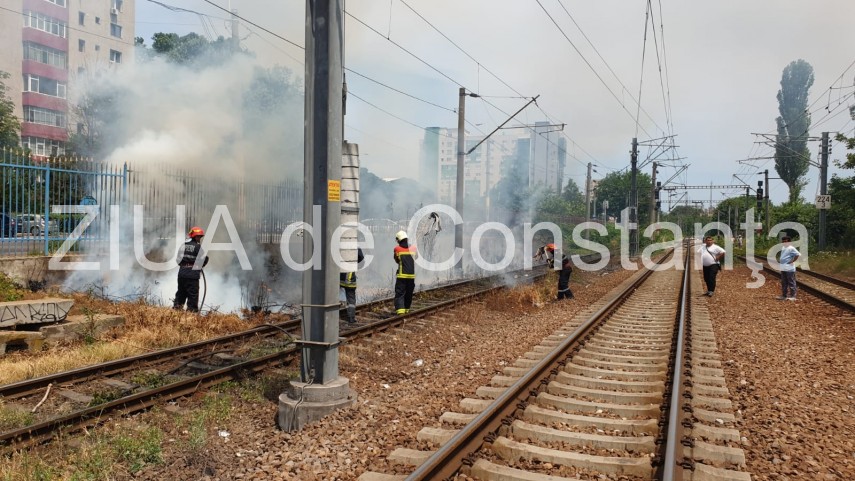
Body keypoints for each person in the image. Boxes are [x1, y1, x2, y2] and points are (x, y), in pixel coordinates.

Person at [174, 226, 209, 312]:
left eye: (200, 237)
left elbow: (178, 260)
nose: (199, 238)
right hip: (192, 275)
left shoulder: (183, 245)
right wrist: (198, 266)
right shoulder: (197, 247)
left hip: (182, 274)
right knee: (192, 296)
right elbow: (204, 259)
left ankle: (176, 310)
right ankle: (191, 314)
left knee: (181, 293)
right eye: (198, 236)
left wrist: (185, 264)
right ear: (194, 236)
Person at [393, 230, 416, 315]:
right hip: (411, 276)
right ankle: (406, 310)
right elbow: (415, 258)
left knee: (400, 294)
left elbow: (396, 260)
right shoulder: (413, 248)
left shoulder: (397, 249)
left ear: (399, 239)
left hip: (402, 276)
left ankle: (400, 313)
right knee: (409, 294)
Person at [340, 247, 365, 324]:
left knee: (332, 297)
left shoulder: (340, 246)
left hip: (338, 277)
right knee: (351, 300)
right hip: (350, 279)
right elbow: (361, 260)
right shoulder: (355, 247)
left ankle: (330, 316)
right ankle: (351, 318)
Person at [777, 236, 800, 300]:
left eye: (786, 241)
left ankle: (793, 296)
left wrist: (792, 261)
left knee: (791, 282)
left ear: (789, 241)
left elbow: (797, 254)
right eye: (783, 241)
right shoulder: (783, 247)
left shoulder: (791, 248)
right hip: (783, 267)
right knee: (784, 282)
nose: (784, 242)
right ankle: (784, 295)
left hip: (789, 268)